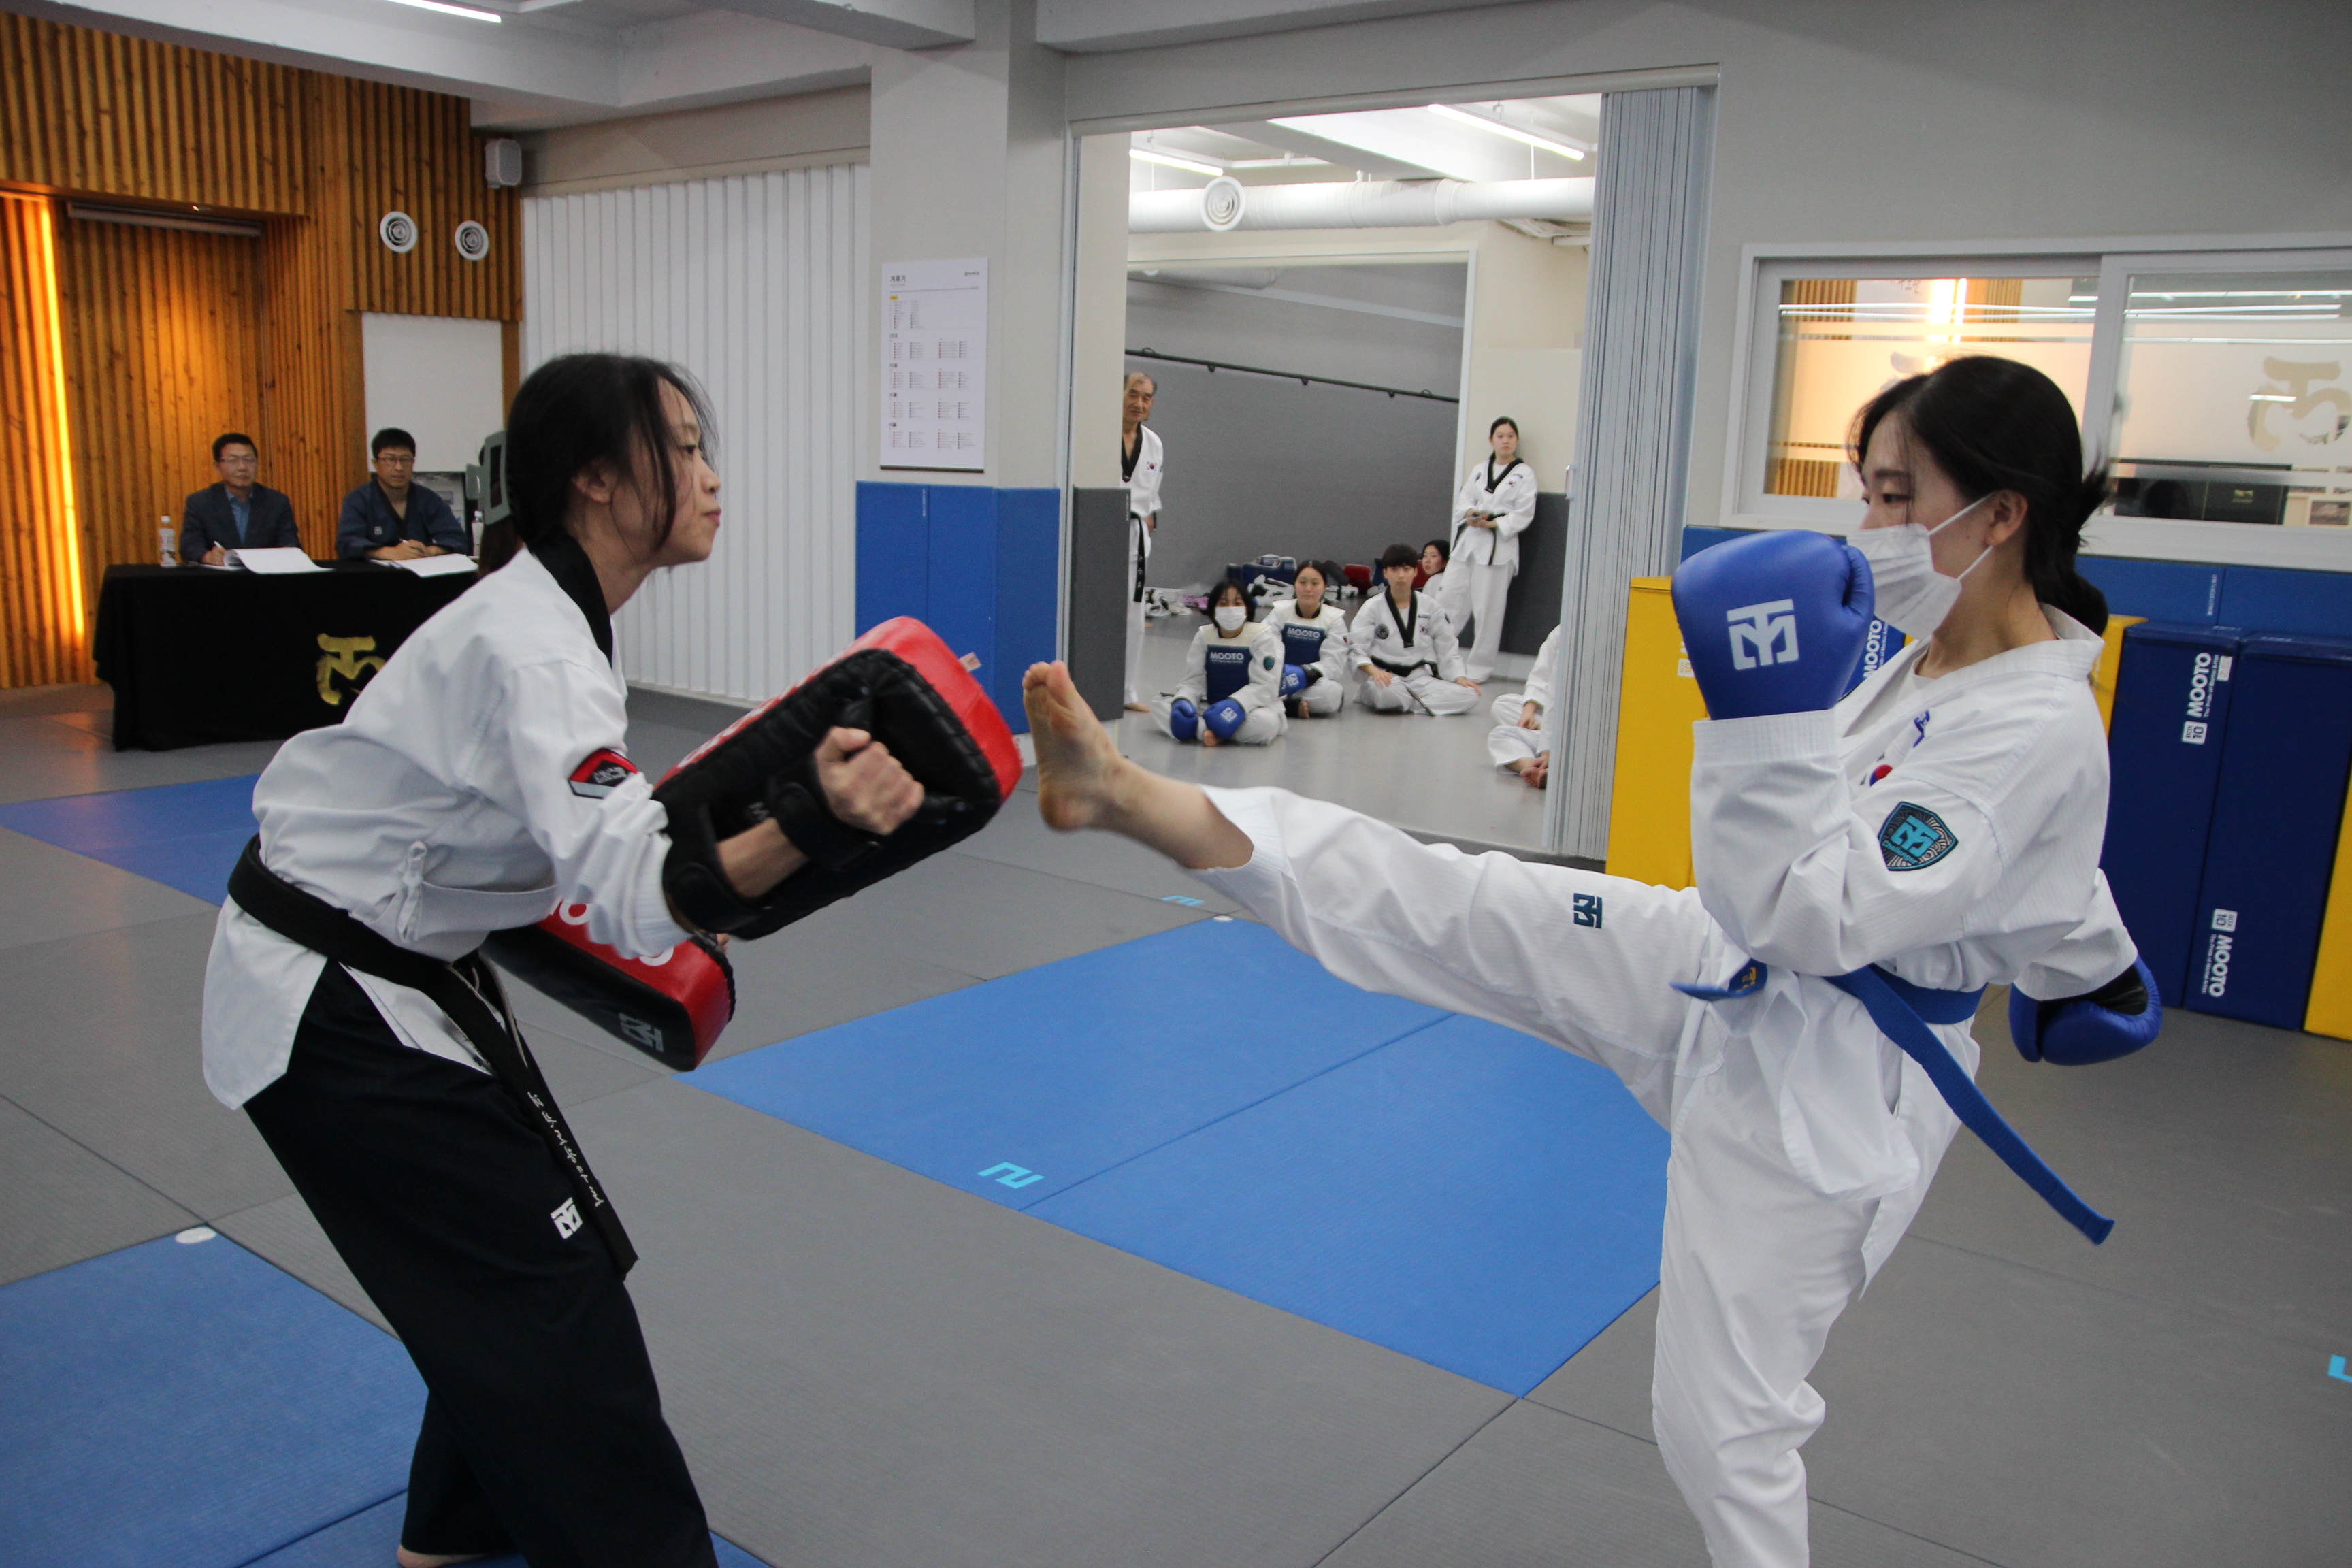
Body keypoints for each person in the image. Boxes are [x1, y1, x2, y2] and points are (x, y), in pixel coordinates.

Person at [1017, 353, 2157, 1568]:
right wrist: (2090, 968)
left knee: (1719, 1428)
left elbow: (1815, 909)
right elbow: (2026, 866)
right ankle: (1129, 795)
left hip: (1829, 1079)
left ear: (2001, 513)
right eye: (1865, 494)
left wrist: (1766, 719)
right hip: (1722, 960)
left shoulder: (2034, 728)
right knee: (1462, 897)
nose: (1867, 530)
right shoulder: (1925, 656)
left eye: (1893, 497)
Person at [201, 354, 925, 1567]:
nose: (709, 476)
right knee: (551, 1296)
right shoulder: (538, 645)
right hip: (332, 1001)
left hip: (402, 968)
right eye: (681, 447)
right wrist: (815, 818)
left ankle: (455, 1526)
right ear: (596, 478)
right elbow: (636, 892)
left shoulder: (550, 618)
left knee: (549, 1256)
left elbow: (592, 842)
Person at [1448, 416, 1538, 682]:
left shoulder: (1524, 474)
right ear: (1491, 440)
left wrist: (1495, 522)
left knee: (1488, 611)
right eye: (1500, 436)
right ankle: (1436, 657)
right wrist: (1470, 513)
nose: (1505, 441)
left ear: (1516, 440)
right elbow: (1464, 501)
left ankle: (1479, 669)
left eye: (1510, 436)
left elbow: (1524, 512)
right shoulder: (1479, 469)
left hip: (1498, 548)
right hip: (1469, 544)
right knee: (1449, 600)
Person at [1349, 543, 1479, 715]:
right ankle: (1412, 701)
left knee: (1469, 695)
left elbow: (1446, 644)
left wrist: (1459, 677)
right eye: (1394, 570)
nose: (1401, 576)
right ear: (1385, 573)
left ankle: (1408, 703)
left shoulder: (1430, 606)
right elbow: (1356, 648)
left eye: (1406, 569)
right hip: (1384, 677)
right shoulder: (1372, 607)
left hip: (1418, 677)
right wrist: (1374, 672)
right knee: (1388, 693)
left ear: (1415, 572)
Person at [1154, 578, 1284, 746]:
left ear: (1247, 609)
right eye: (1223, 604)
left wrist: (1236, 705)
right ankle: (1216, 728)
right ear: (1214, 609)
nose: (1230, 609)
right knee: (1161, 705)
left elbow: (1265, 686)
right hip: (1212, 707)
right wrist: (1184, 700)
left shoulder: (1261, 636)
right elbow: (1193, 681)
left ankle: (1203, 731)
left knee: (1265, 724)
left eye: (1237, 603)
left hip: (1249, 709)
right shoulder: (1204, 635)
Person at [340, 427, 470, 561]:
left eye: (405, 459)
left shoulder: (429, 500)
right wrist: (385, 552)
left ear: (413, 463)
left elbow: (458, 540)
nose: (399, 467)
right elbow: (347, 543)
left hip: (420, 570)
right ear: (376, 464)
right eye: (390, 459)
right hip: (374, 572)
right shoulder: (358, 500)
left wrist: (430, 551)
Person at [179, 432, 299, 564]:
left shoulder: (277, 502)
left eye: (249, 460)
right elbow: (189, 545)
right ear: (217, 467)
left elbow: (290, 544)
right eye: (233, 460)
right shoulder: (200, 502)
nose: (242, 467)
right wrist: (207, 557)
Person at [1122, 371, 1164, 711]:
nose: (1139, 403)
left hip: (1135, 537)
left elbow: (1153, 496)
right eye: (1133, 394)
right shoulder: (1098, 432)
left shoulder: (1154, 443)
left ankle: (1126, 692)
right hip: (1100, 531)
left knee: (1134, 619)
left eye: (1146, 398)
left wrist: (1150, 520)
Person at [1262, 560, 1350, 719]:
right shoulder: (1280, 612)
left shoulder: (1334, 619)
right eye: (1302, 582)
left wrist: (1302, 674)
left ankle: (1279, 704)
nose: (1308, 589)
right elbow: (1264, 646)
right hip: (1278, 679)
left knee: (1330, 693)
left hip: (1312, 684)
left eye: (1315, 583)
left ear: (1325, 587)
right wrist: (1281, 674)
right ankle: (1291, 706)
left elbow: (1333, 665)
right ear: (1295, 584)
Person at [1488, 622, 1559, 786]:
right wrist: (1529, 712)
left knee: (1501, 736)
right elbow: (1540, 677)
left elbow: (1557, 697)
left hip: (1568, 731)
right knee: (1503, 704)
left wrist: (1549, 732)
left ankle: (1547, 768)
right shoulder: (1560, 633)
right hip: (1552, 721)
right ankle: (1533, 768)